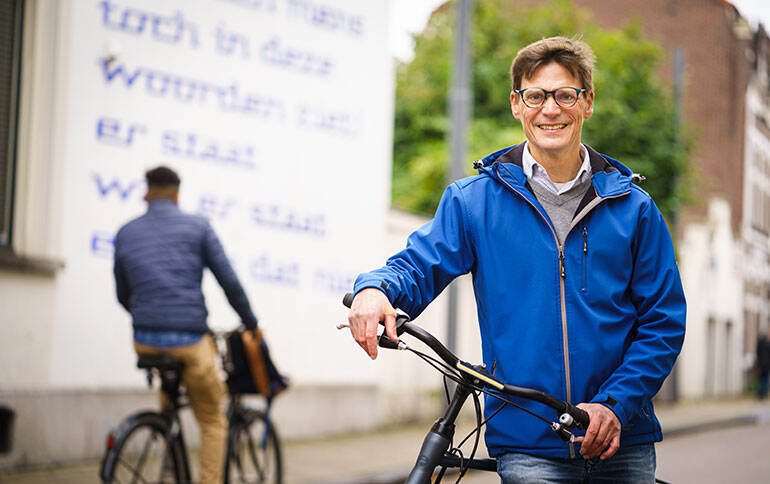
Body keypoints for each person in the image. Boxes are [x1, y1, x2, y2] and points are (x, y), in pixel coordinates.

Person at [347, 37, 686, 483]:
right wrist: (376, 289)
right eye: (536, 95)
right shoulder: (474, 203)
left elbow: (663, 321)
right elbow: (417, 265)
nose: (551, 109)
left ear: (587, 103)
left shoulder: (634, 209)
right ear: (516, 104)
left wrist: (615, 405)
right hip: (530, 443)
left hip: (620, 440)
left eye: (566, 95)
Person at [113, 166, 258, 484]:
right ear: (177, 194)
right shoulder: (198, 226)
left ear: (146, 193)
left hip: (144, 340)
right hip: (189, 342)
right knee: (212, 420)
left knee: (171, 399)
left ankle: (168, 454)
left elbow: (123, 295)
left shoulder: (126, 232)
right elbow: (229, 282)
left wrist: (149, 317)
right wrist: (250, 322)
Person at [757, 329, 770, 399]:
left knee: (761, 379)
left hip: (761, 364)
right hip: (767, 365)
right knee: (765, 379)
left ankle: (760, 393)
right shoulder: (767, 344)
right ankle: (763, 393)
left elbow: (757, 354)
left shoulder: (759, 344)